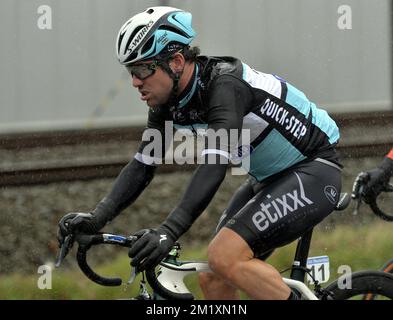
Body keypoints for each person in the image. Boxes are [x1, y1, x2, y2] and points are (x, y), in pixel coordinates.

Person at [57, 6, 343, 300]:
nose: (135, 82)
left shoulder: (225, 87)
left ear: (176, 61)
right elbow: (144, 163)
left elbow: (214, 164)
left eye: (142, 69)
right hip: (269, 180)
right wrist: (97, 218)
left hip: (314, 170)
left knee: (224, 257)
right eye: (131, 71)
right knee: (213, 278)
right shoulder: (167, 103)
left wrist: (168, 231)